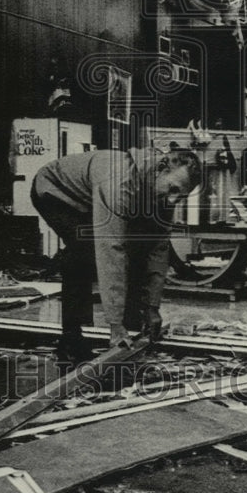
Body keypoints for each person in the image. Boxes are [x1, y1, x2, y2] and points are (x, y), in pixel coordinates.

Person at [30, 147, 201, 362]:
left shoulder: (162, 194)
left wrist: (152, 307)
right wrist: (114, 324)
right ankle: (72, 333)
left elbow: (158, 249)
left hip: (90, 197)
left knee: (138, 245)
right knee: (85, 251)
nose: (174, 201)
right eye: (173, 189)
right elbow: (110, 250)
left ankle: (133, 323)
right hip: (54, 191)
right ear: (160, 170)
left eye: (181, 196)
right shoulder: (119, 182)